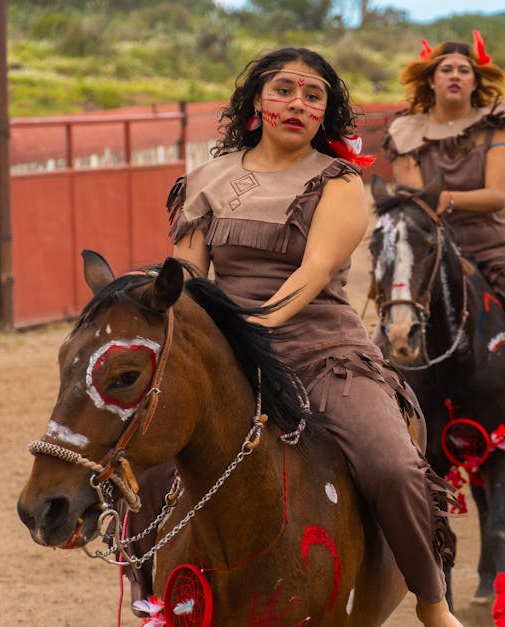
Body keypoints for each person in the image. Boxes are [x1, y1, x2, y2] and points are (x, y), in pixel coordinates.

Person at [167, 47, 462, 627]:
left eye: (313, 96)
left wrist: (249, 329)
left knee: (393, 466)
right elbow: (188, 280)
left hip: (324, 356)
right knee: (145, 453)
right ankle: (151, 586)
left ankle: (431, 601)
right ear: (258, 101)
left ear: (325, 113)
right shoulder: (206, 180)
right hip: (227, 355)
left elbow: (311, 275)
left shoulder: (339, 181)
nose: (297, 103)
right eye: (283, 90)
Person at [383, 32, 505, 493]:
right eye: (447, 69)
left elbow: (495, 195)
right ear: (432, 80)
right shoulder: (406, 132)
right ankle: (398, 435)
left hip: (497, 249)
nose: (456, 75)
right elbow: (412, 204)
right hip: (436, 255)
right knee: (388, 334)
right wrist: (427, 205)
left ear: (475, 81)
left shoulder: (495, 128)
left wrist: (437, 198)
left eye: (464, 69)